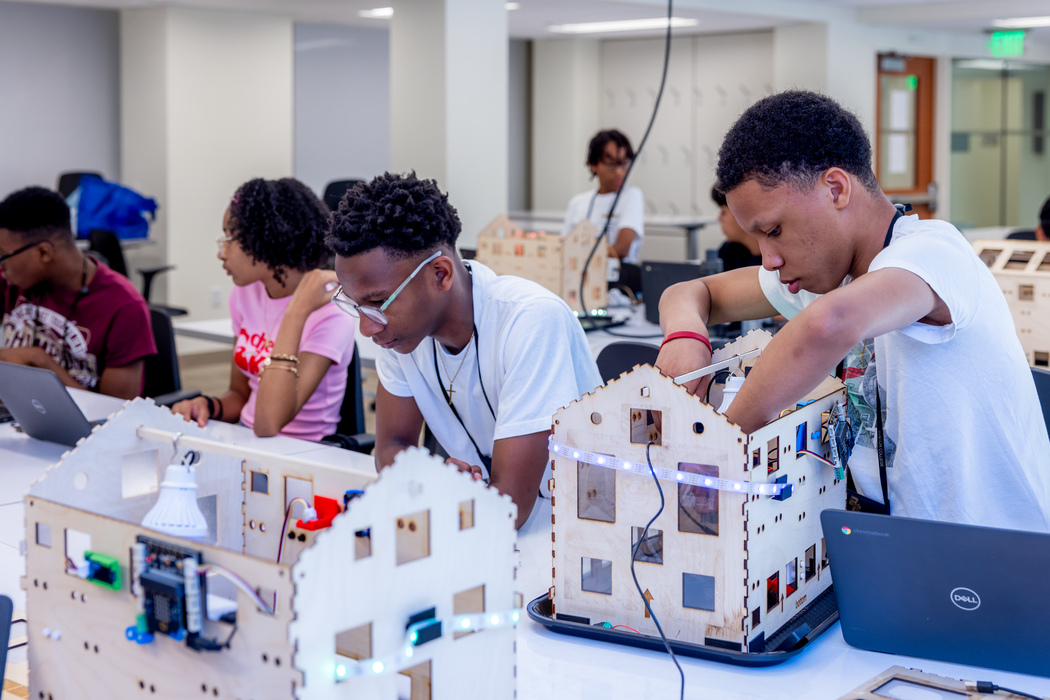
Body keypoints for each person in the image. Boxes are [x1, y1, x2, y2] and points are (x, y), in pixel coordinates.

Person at [656, 90, 1050, 532]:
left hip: (999, 557)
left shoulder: (933, 254)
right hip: (895, 550)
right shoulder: (828, 275)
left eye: (775, 230)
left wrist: (718, 448)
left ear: (836, 188)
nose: (768, 258)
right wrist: (686, 336)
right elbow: (689, 292)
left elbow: (829, 325)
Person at [327, 172, 603, 528]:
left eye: (378, 303)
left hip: (574, 528)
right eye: (356, 307)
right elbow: (390, 448)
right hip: (487, 528)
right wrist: (438, 476)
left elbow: (510, 509)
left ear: (440, 275)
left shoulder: (530, 320)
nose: (367, 328)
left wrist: (433, 483)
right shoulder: (399, 334)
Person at [172, 178, 354, 440]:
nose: (221, 253)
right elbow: (240, 395)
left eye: (229, 238)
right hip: (248, 441)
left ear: (267, 239)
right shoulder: (245, 294)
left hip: (304, 455)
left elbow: (268, 424)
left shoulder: (331, 312)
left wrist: (296, 312)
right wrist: (209, 405)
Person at [0, 186, 155, 399]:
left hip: (88, 429)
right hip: (19, 415)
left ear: (43, 252)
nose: (1, 266)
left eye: (2, 255)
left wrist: (40, 361)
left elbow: (115, 415)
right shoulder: (12, 280)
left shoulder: (124, 307)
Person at [564, 130, 645, 293]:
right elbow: (564, 249)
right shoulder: (578, 203)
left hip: (617, 287)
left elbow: (621, 249)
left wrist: (579, 255)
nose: (619, 172)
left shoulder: (631, 196)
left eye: (624, 163)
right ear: (592, 164)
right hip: (579, 283)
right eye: (610, 164)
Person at [711, 185, 761, 270]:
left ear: (741, 214)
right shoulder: (729, 251)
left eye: (723, 212)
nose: (719, 218)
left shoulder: (773, 262)